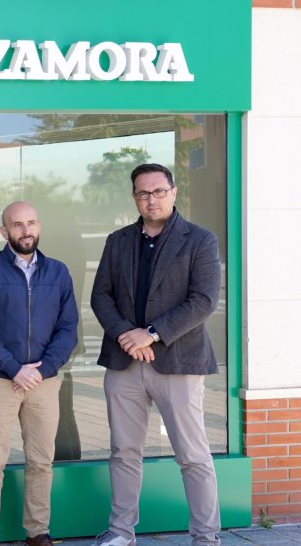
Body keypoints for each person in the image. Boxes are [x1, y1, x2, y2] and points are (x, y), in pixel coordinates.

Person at [90, 163, 222, 546]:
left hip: (178, 362)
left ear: (174, 192)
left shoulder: (200, 240)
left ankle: (206, 537)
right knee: (124, 452)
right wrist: (125, 335)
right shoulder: (118, 240)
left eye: (158, 191)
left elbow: (203, 300)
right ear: (135, 197)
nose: (151, 199)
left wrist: (150, 334)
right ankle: (120, 532)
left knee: (193, 455)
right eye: (143, 193)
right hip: (124, 361)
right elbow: (101, 294)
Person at [0, 202, 79, 546]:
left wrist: (41, 370)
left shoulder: (58, 272)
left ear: (39, 226)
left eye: (30, 223)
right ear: (4, 232)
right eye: (17, 225)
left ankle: (37, 531)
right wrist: (14, 368)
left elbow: (69, 328)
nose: (25, 230)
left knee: (42, 461)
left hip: (44, 382)